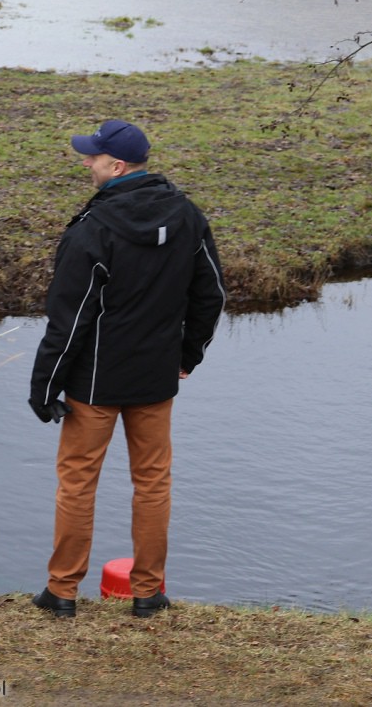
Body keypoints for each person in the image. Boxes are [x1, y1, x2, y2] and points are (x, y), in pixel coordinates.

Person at [28, 118, 225, 619]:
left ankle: (62, 592)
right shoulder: (188, 217)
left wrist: (45, 385)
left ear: (115, 167)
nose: (86, 163)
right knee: (153, 483)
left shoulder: (91, 230)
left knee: (77, 482)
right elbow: (211, 296)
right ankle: (147, 594)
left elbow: (68, 320)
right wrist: (187, 355)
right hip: (156, 381)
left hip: (92, 386)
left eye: (92, 157)